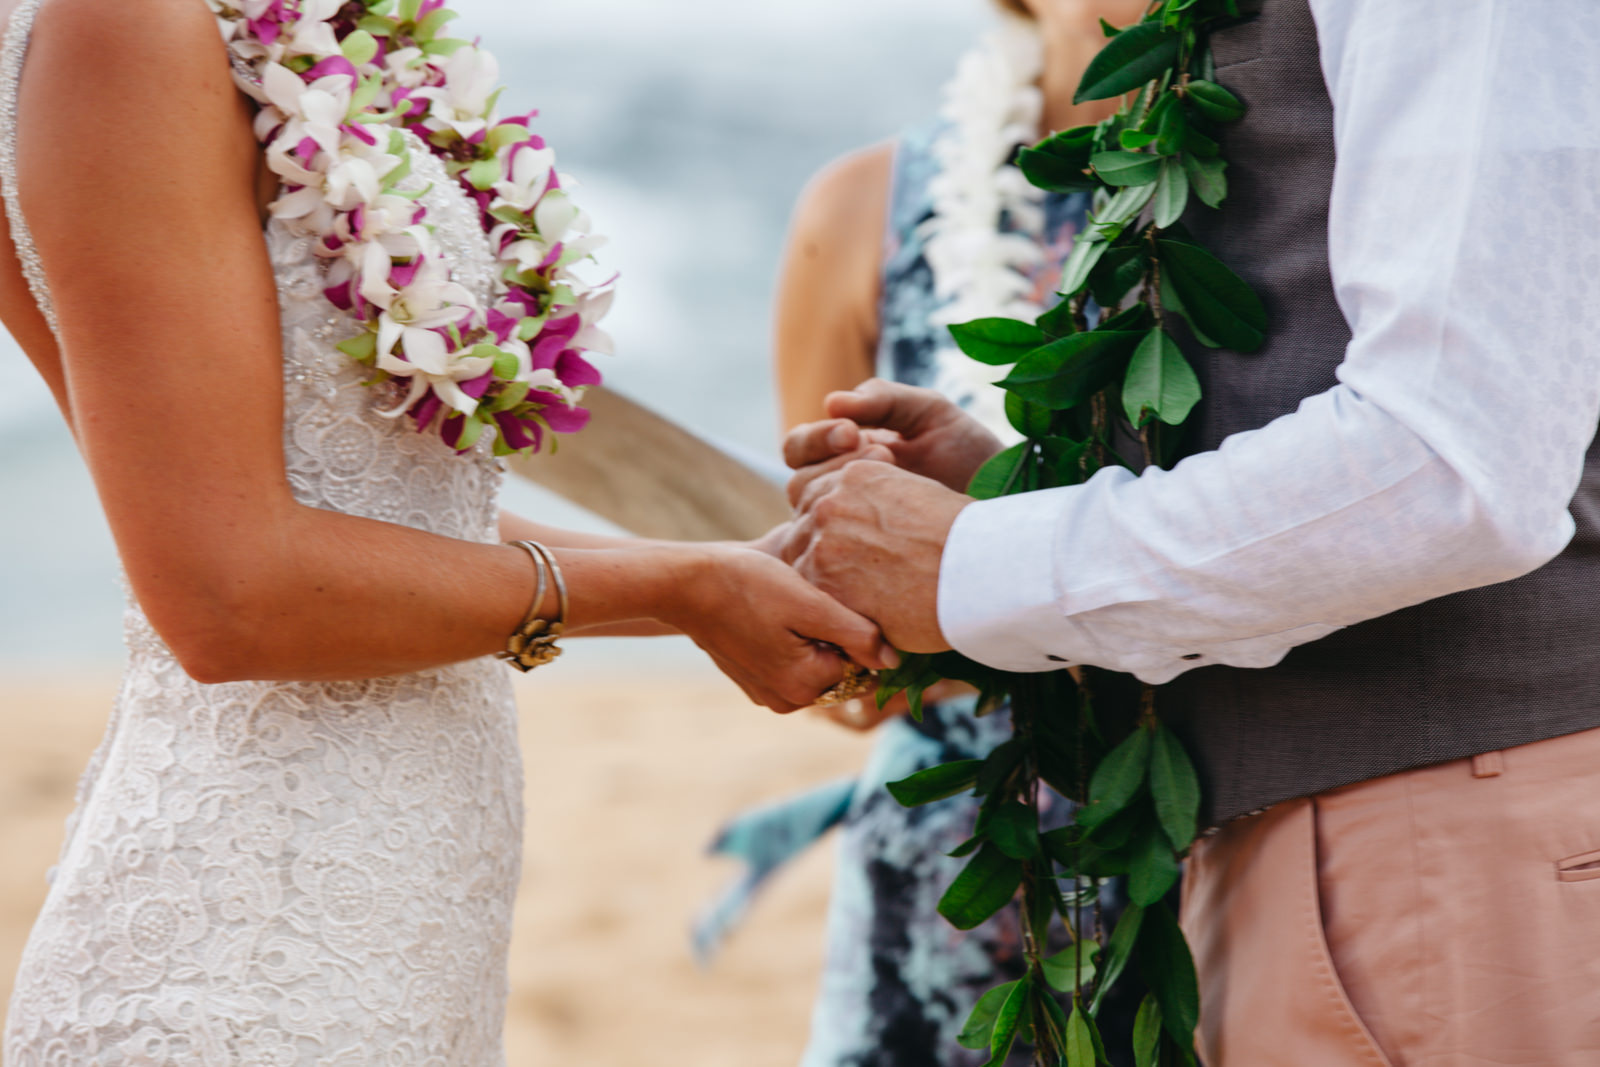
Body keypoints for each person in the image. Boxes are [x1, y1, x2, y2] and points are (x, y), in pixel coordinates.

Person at [0, 0, 896, 1062]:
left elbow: (391, 518)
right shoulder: (128, 28)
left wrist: (733, 571)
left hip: (412, 898)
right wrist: (679, 590)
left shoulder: (323, 33)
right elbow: (225, 591)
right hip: (248, 921)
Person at [782, 1, 1600, 1063]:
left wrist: (974, 562)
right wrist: (1007, 502)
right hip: (1309, 846)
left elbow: (1450, 457)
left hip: (1445, 825)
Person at [767, 1, 1144, 1063]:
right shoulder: (864, 210)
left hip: (1203, 849)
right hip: (949, 876)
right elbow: (820, 638)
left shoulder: (1292, 192)